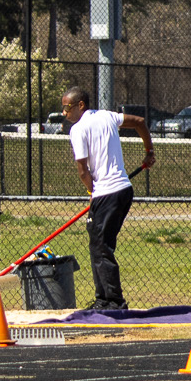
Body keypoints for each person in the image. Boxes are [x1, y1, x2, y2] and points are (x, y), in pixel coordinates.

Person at [59, 87, 156, 312]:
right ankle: (103, 300)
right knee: (98, 245)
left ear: (80, 105)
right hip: (123, 191)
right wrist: (149, 151)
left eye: (67, 107)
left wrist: (93, 193)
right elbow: (140, 122)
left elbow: (82, 171)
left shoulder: (78, 129)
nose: (64, 113)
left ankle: (115, 302)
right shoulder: (108, 116)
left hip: (106, 193)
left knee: (101, 247)